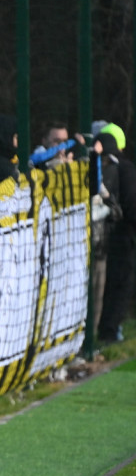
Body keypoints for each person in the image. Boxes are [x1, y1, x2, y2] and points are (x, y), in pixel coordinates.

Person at [93, 130, 136, 343]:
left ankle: (107, 331)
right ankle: (108, 332)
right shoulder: (124, 169)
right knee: (118, 284)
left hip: (111, 236)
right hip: (119, 237)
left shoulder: (115, 170)